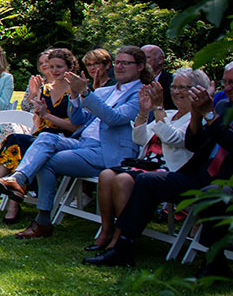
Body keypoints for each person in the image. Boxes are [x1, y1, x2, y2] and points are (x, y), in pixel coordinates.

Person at [0, 45, 149, 239]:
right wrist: (74, 96)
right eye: (118, 62)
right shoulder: (107, 91)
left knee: (45, 160)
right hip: (82, 142)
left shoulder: (140, 93)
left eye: (126, 63)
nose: (119, 67)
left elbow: (114, 118)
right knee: (45, 136)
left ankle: (41, 219)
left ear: (140, 67)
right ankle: (19, 180)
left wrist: (86, 94)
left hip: (107, 151)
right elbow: (80, 119)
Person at [84, 84, 233, 275]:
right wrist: (198, 115)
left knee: (212, 195)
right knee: (149, 181)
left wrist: (210, 116)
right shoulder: (223, 108)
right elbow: (194, 143)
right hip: (200, 176)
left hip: (226, 183)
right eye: (225, 81)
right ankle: (122, 248)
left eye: (232, 83)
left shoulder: (215, 112)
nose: (227, 88)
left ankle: (215, 262)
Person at [86, 68, 203, 252]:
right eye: (174, 87)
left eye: (183, 87)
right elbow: (140, 138)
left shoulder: (196, 119)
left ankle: (122, 238)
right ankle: (107, 229)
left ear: (198, 90)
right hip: (146, 164)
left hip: (171, 171)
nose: (177, 91)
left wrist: (158, 108)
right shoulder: (170, 114)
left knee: (122, 179)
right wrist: (143, 111)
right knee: (107, 175)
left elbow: (173, 138)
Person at [0, 48, 79, 223]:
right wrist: (36, 100)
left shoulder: (75, 92)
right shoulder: (47, 89)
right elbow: (37, 122)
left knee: (20, 142)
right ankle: (10, 197)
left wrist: (47, 116)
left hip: (63, 139)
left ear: (70, 68)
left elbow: (75, 127)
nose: (54, 71)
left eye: (59, 66)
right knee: (16, 140)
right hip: (41, 135)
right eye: (51, 66)